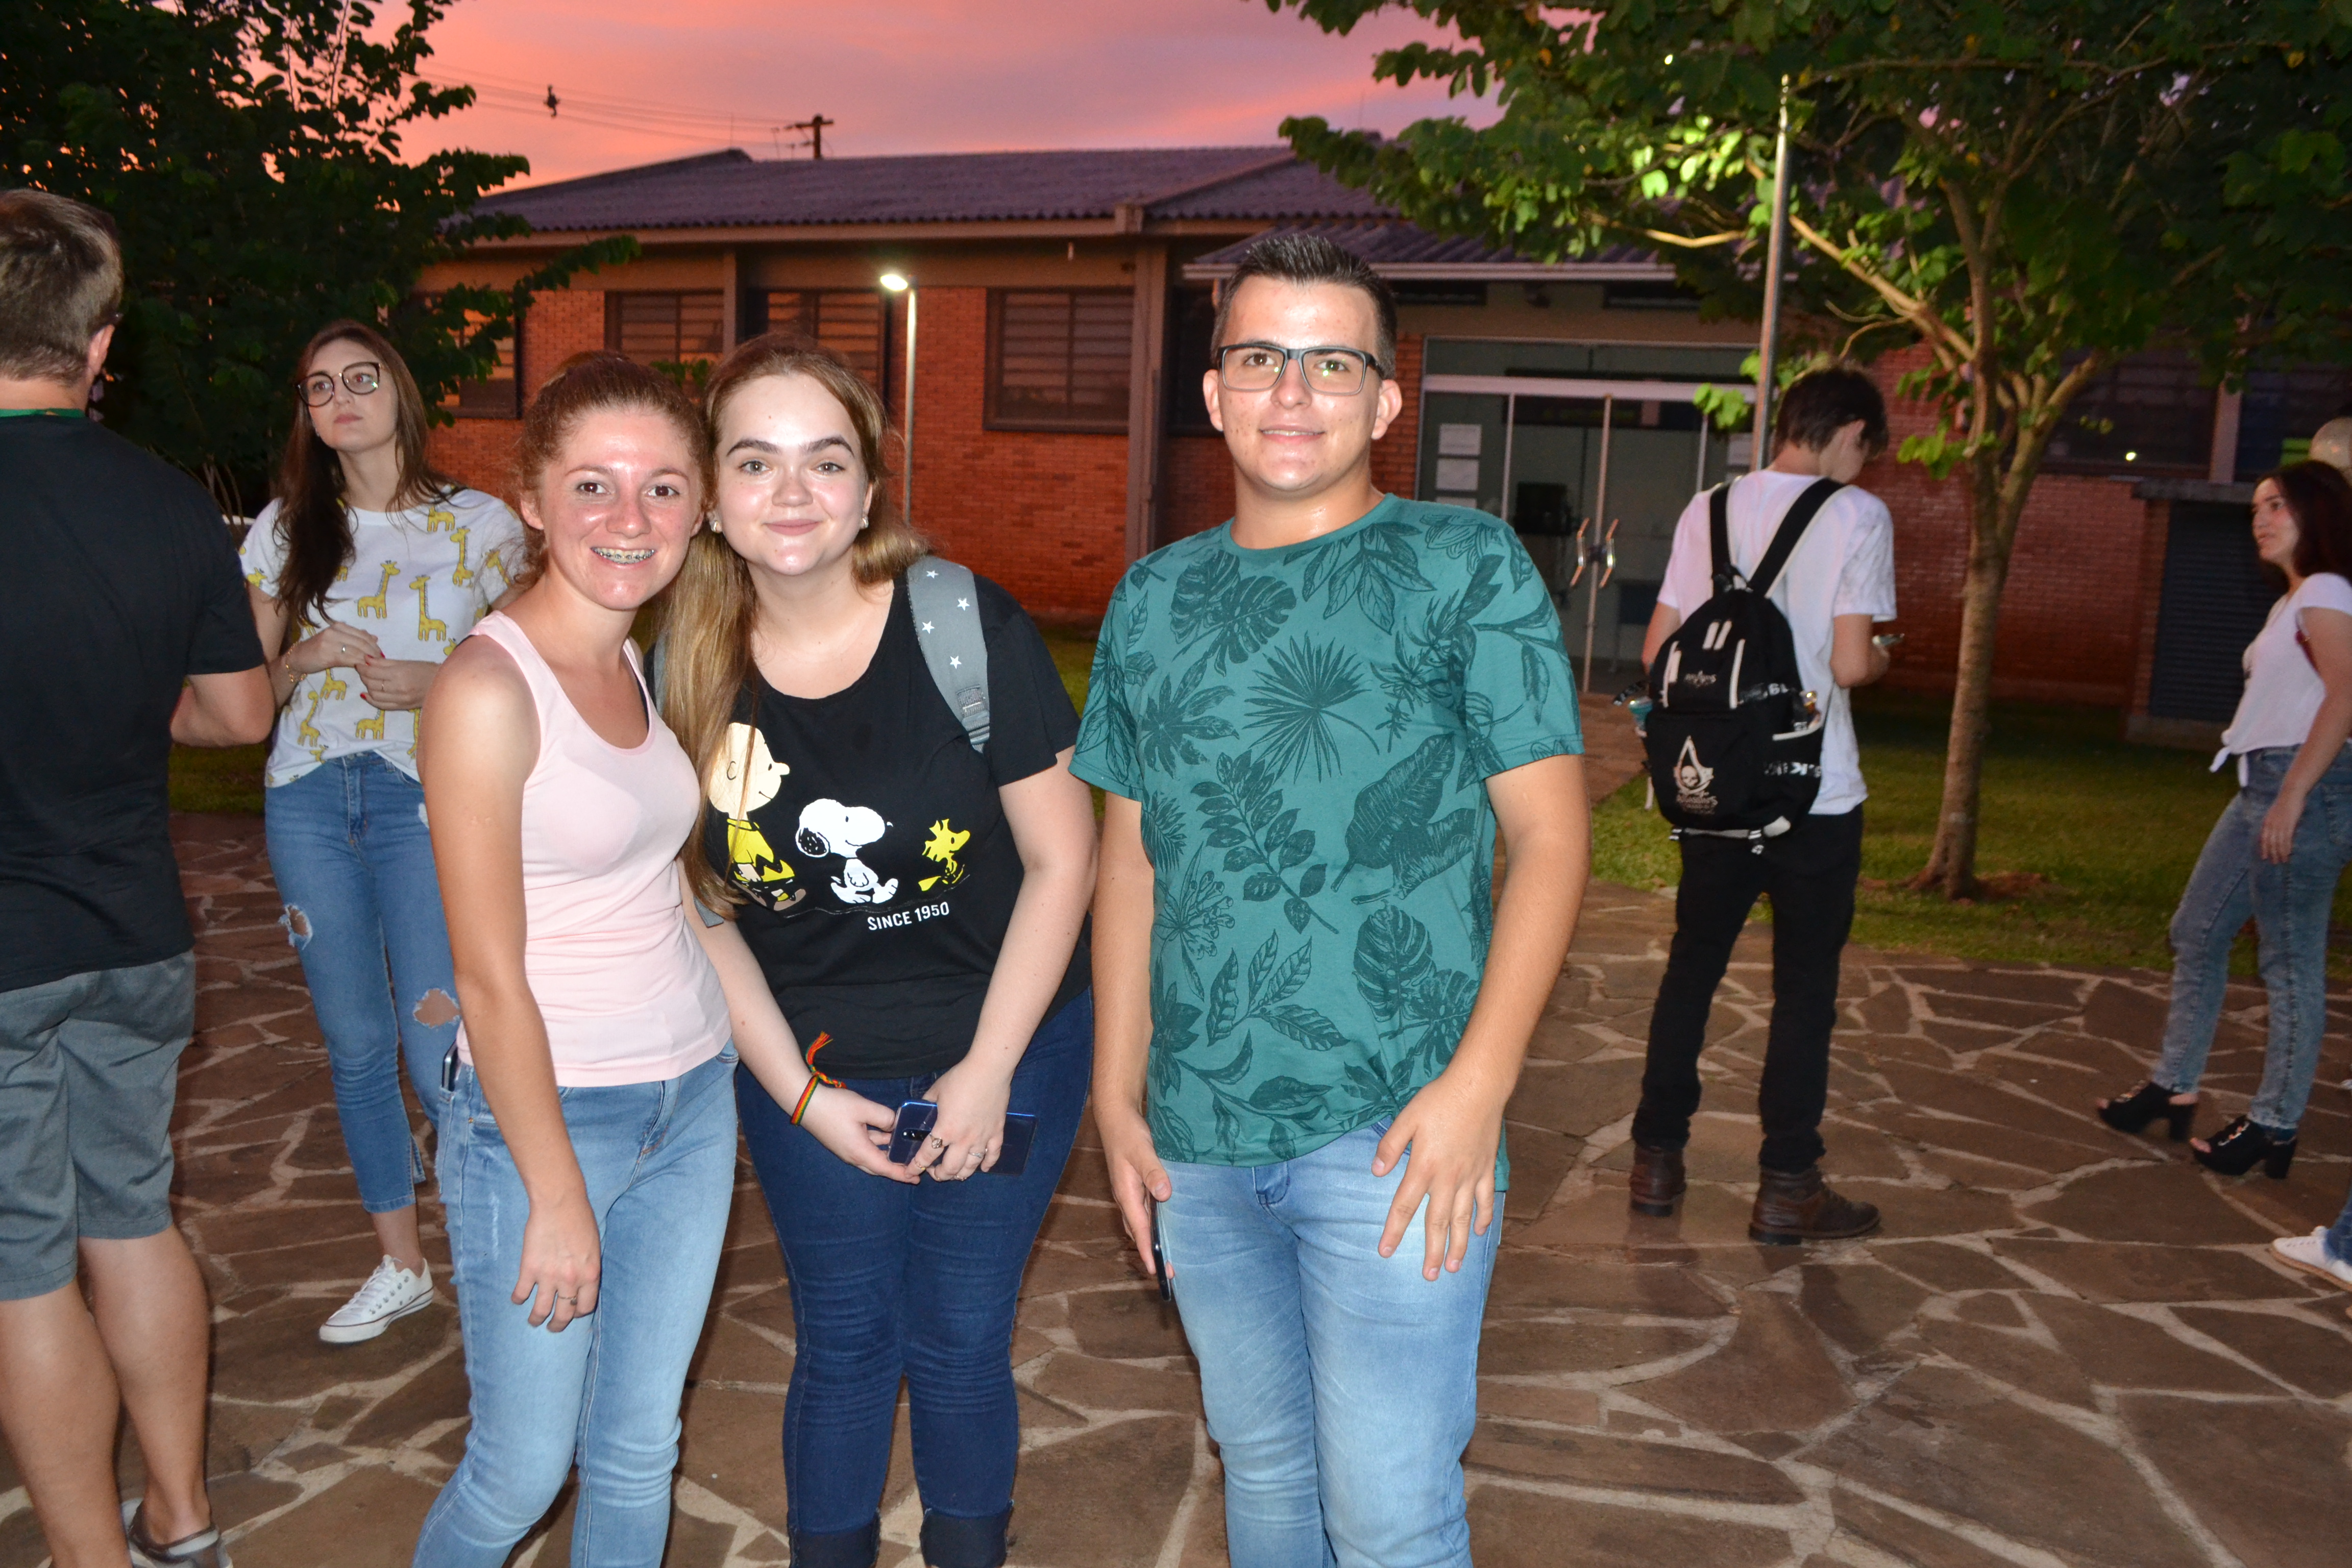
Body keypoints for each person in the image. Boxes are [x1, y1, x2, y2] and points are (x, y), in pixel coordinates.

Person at [1076, 234, 1589, 1567]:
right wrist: (1116, 1096)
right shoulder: (1151, 599)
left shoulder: (1465, 568)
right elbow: (1132, 863)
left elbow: (1550, 840)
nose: (1292, 392)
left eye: (1332, 362)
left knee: (1390, 1516)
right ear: (1214, 392)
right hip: (1197, 1135)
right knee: (1264, 1476)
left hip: (1397, 1127)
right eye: (1260, 357)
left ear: (1386, 398)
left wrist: (1479, 1089)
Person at [656, 334, 1097, 1568]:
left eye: (826, 460)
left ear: (867, 489)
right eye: (757, 461)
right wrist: (800, 1095)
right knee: (846, 1342)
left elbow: (1066, 861)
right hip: (808, 1062)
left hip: (1013, 1041)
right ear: (712, 493)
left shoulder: (965, 624)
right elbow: (699, 905)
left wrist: (990, 1071)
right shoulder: (679, 664)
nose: (793, 492)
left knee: (959, 1338)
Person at [411, 354, 834, 1566]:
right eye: (592, 485)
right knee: (520, 1471)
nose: (629, 518)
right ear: (533, 500)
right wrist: (552, 1192)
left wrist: (789, 1086)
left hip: (689, 1100)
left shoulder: (637, 662)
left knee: (642, 1449)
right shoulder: (488, 690)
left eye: (662, 487)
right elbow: (487, 978)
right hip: (549, 1118)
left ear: (699, 511)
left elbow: (679, 898)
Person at [0, 189, 271, 1568]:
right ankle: (182, 1520)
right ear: (100, 343)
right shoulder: (172, 505)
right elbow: (237, 714)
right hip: (135, 933)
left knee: (21, 1262)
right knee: (132, 1215)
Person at [241, 321, 524, 1344]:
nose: (341, 399)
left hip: (426, 798)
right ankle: (401, 1264)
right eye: (320, 387)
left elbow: (542, 672)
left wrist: (441, 680)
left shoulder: (482, 525)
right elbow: (245, 700)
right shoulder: (283, 530)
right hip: (308, 798)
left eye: (360, 379)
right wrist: (301, 658)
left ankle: (500, 1252)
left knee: (440, 1043)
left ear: (400, 391)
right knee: (356, 1042)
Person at [1627, 366, 1898, 1243]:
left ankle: (1656, 1161)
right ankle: (1788, 1186)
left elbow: (1660, 650)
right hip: (1817, 792)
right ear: (1849, 431)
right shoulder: (1858, 516)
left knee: (1693, 967)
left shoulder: (1708, 509)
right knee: (1804, 991)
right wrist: (1885, 657)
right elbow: (1851, 664)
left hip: (1720, 788)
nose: (1863, 467)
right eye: (1865, 449)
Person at [2095, 462, 2352, 1178]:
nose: (2260, 520)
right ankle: (2174, 1085)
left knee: (2289, 960)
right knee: (2198, 931)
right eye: (2255, 509)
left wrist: (2294, 794)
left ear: (2318, 512)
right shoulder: (2296, 598)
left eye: (2278, 506)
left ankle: (2275, 1124)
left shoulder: (2326, 590)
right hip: (2263, 784)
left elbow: (2346, 696)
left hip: (2305, 788)